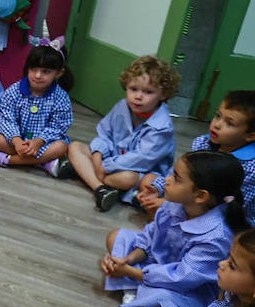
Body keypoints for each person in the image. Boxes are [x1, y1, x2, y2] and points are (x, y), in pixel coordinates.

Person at [103, 151, 245, 307]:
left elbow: (181, 278)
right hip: (157, 268)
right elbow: (150, 236)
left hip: (186, 289)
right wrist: (128, 260)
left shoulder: (216, 237)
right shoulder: (175, 204)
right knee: (116, 237)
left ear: (200, 196)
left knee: (165, 296)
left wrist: (128, 271)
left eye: (176, 178)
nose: (167, 181)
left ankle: (134, 298)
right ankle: (137, 296)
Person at [137, 90, 255, 226]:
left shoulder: (254, 170)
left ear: (251, 136)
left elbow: (228, 206)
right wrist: (158, 187)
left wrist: (170, 204)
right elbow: (183, 174)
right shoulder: (203, 143)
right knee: (149, 181)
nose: (216, 124)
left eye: (229, 123)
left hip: (224, 217)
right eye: (218, 115)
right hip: (195, 197)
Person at [63, 56, 178, 213]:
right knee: (75, 147)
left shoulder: (162, 127)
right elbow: (104, 134)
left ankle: (90, 176)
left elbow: (142, 158)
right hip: (109, 161)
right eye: (133, 89)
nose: (138, 96)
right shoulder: (122, 107)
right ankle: (101, 188)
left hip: (138, 170)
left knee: (128, 178)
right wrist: (97, 158)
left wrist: (104, 166)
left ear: (163, 95)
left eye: (148, 92)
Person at [0, 43, 73, 173]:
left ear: (58, 73)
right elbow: (7, 118)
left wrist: (39, 142)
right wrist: (17, 141)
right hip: (16, 141)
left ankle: (5, 159)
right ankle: (41, 163)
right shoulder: (14, 91)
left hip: (43, 143)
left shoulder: (61, 97)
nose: (38, 75)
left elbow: (58, 125)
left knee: (61, 147)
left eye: (46, 71)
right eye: (34, 69)